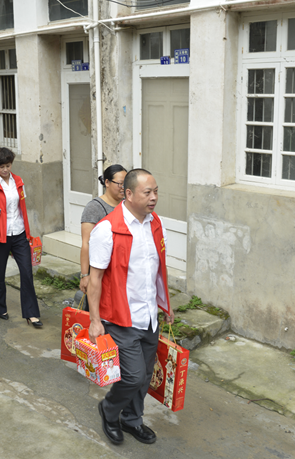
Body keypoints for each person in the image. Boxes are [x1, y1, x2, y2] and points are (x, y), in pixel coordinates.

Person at [87, 168, 174, 446]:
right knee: (133, 376)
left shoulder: (155, 223)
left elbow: (157, 269)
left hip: (149, 316)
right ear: (128, 194)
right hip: (120, 317)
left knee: (145, 376)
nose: (154, 197)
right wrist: (95, 320)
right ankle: (109, 410)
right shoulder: (107, 229)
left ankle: (132, 419)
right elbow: (95, 279)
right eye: (147, 192)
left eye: (156, 191)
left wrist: (165, 304)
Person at [0, 147, 42, 327]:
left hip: (19, 234)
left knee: (27, 272)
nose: (5, 169)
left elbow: (22, 207)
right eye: (1, 167)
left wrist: (28, 232)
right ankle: (1, 307)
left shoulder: (18, 181)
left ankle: (31, 314)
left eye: (8, 165)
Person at [77, 164, 127, 305]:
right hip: (100, 272)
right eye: (120, 184)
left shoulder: (127, 206)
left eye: (126, 184)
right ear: (107, 182)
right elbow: (86, 243)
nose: (123, 188)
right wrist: (85, 275)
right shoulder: (94, 208)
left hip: (121, 271)